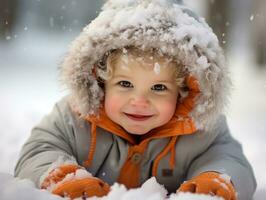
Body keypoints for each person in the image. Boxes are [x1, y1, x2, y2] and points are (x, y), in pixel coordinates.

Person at [14, 0, 257, 199]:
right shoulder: (75, 117)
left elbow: (230, 161)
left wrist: (213, 181)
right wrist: (63, 177)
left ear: (184, 91)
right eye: (125, 84)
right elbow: (39, 149)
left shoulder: (202, 128)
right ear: (101, 82)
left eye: (159, 87)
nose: (139, 101)